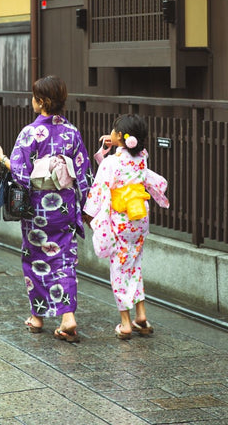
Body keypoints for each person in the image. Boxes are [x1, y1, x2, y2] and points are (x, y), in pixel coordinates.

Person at [0, 75, 92, 342]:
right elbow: (83, 174)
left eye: (34, 97)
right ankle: (67, 317)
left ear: (42, 102)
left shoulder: (29, 133)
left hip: (38, 211)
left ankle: (38, 317)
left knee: (36, 259)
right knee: (65, 261)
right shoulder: (72, 133)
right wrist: (85, 208)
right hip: (66, 208)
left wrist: (0, 157)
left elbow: (21, 175)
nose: (32, 101)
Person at [83, 114, 169, 340]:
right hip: (139, 218)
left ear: (120, 136)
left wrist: (88, 214)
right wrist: (110, 147)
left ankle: (125, 323)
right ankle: (141, 314)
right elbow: (127, 160)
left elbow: (101, 187)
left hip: (120, 221)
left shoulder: (112, 162)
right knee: (134, 264)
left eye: (113, 131)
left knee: (120, 269)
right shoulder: (142, 158)